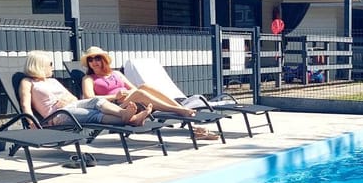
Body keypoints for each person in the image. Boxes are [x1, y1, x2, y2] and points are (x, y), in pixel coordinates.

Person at [78, 46, 218, 140]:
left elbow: (133, 88)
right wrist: (115, 96)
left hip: (130, 102)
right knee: (141, 93)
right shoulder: (89, 78)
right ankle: (180, 110)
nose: (94, 62)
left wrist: (126, 93)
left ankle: (180, 109)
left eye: (97, 58)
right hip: (114, 108)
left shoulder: (116, 73)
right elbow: (89, 98)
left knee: (145, 86)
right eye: (90, 60)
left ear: (103, 60)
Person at [19, 50, 152, 128]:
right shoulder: (27, 82)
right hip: (58, 115)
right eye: (50, 64)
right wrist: (32, 123)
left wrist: (66, 99)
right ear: (40, 65)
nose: (52, 67)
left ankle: (123, 114)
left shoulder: (53, 80)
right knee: (93, 115)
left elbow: (74, 98)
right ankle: (131, 119)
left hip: (71, 105)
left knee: (95, 101)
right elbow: (25, 106)